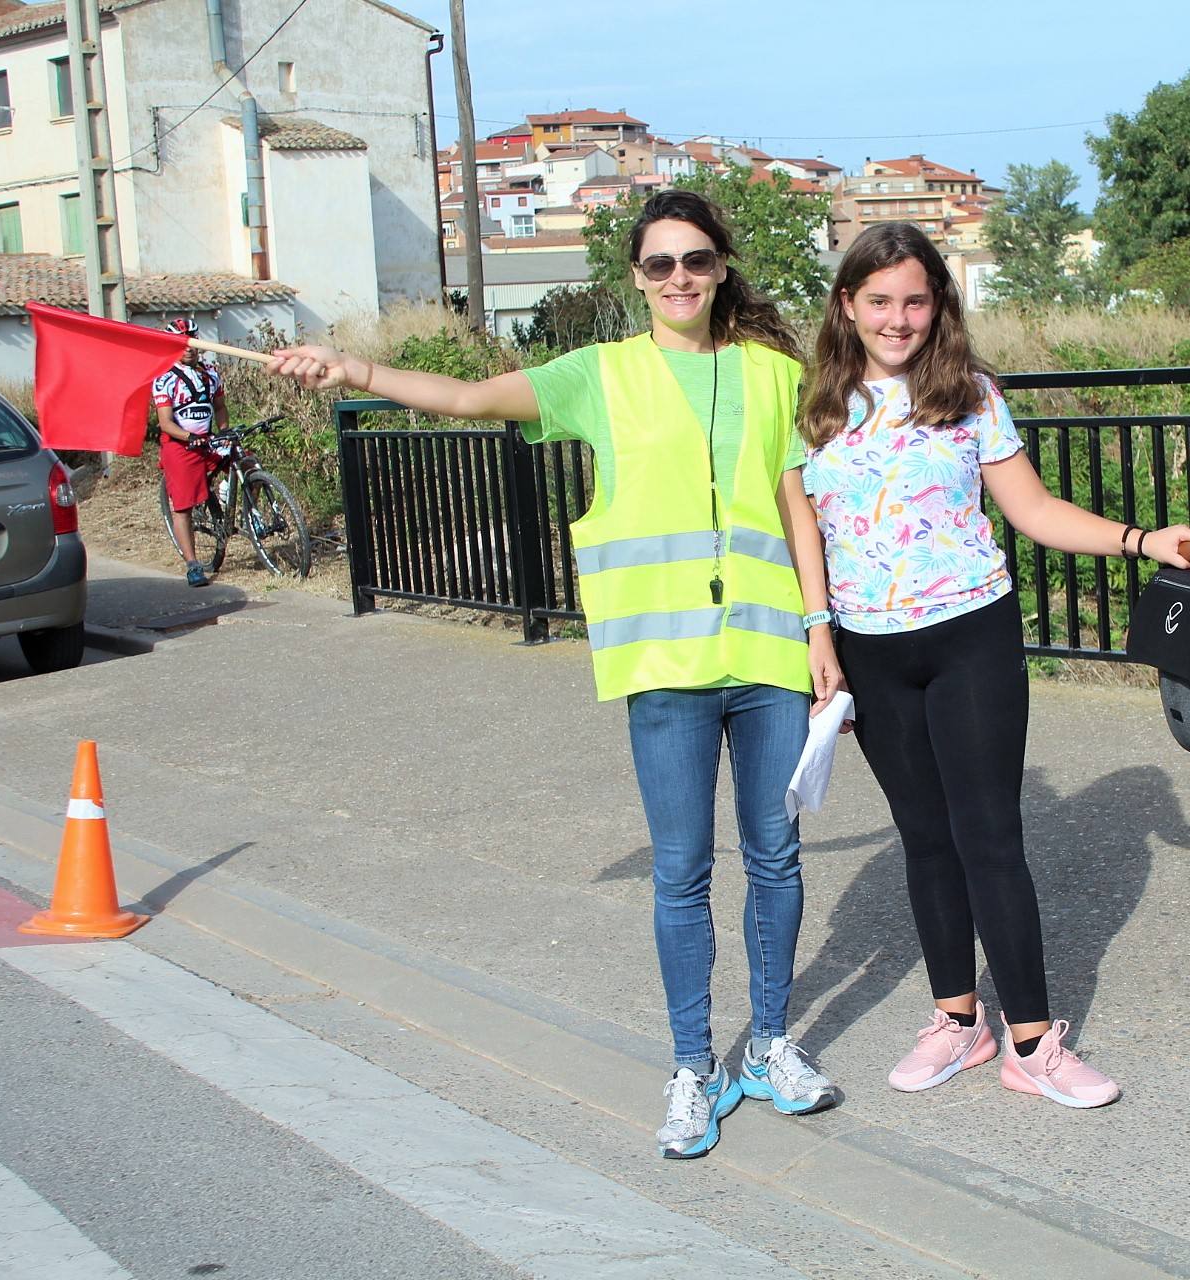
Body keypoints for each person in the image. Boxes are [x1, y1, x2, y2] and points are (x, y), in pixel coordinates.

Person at [265, 190, 845, 1159]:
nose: (679, 279)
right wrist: (351, 366)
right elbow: (465, 398)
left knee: (777, 858)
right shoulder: (600, 375)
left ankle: (772, 1044)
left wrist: (821, 627)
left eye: (695, 260)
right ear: (635, 276)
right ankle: (693, 1064)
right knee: (681, 873)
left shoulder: (772, 373)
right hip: (662, 664)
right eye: (659, 264)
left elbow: (798, 508)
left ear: (721, 266)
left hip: (772, 652)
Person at [795, 222, 1190, 1108]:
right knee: (925, 837)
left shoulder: (969, 394)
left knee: (989, 839)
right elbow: (804, 530)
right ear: (847, 306)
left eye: (915, 299)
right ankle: (955, 1021)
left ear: (938, 303)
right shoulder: (813, 408)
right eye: (878, 301)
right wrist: (819, 637)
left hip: (971, 636)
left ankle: (1032, 1041)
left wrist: (1143, 541)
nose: (897, 319)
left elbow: (1034, 510)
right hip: (869, 649)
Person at [152, 317, 226, 587]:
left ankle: (230, 496)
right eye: (183, 344)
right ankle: (193, 564)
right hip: (181, 444)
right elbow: (166, 422)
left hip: (208, 439)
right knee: (182, 505)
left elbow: (219, 407)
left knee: (248, 460)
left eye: (193, 342)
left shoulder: (211, 372)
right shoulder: (164, 379)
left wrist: (224, 430)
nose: (189, 348)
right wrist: (190, 437)